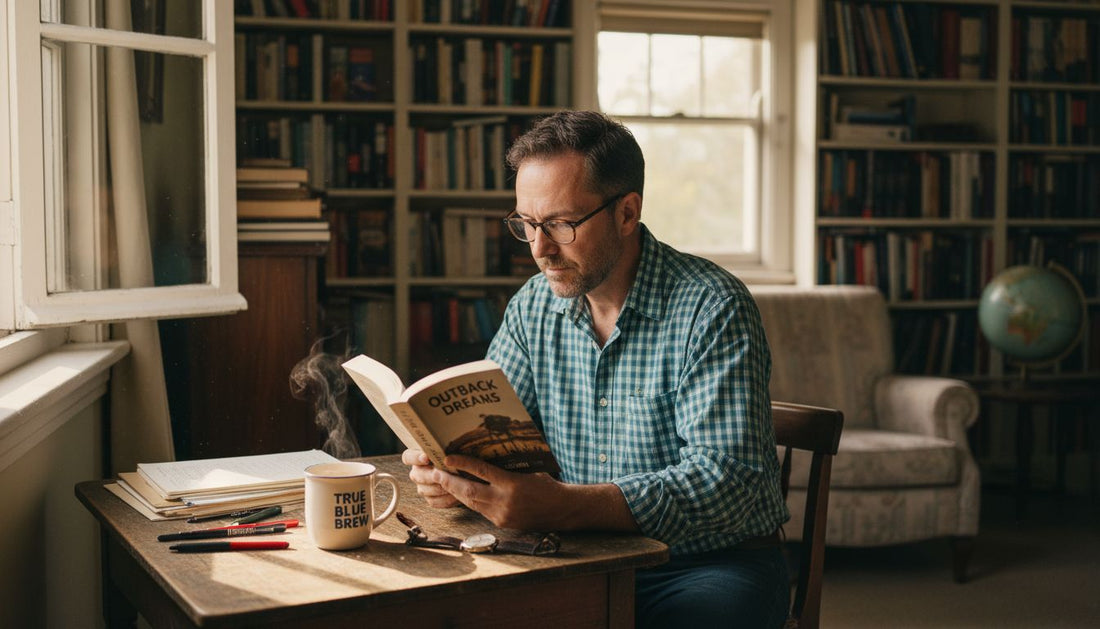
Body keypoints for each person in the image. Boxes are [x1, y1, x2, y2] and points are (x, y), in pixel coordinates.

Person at [401, 110, 790, 628]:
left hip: (705, 564)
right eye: (527, 224)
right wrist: (453, 472)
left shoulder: (711, 307)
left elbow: (727, 482)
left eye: (561, 224)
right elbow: (494, 426)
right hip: (575, 554)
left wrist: (564, 506)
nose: (540, 249)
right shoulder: (534, 305)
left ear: (627, 213)